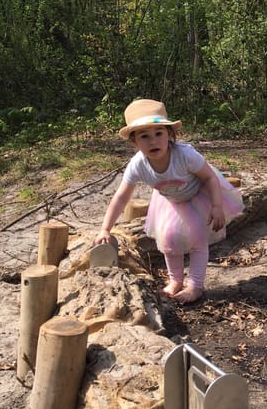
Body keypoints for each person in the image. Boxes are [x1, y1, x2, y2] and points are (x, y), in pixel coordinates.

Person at [95, 99, 244, 304]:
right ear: (135, 143)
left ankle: (196, 286)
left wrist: (217, 207)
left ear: (170, 135)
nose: (153, 141)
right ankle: (175, 281)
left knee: (197, 240)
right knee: (168, 239)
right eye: (144, 136)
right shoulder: (137, 165)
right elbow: (121, 197)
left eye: (158, 133)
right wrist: (105, 228)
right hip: (170, 200)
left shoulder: (184, 155)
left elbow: (209, 177)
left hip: (200, 194)